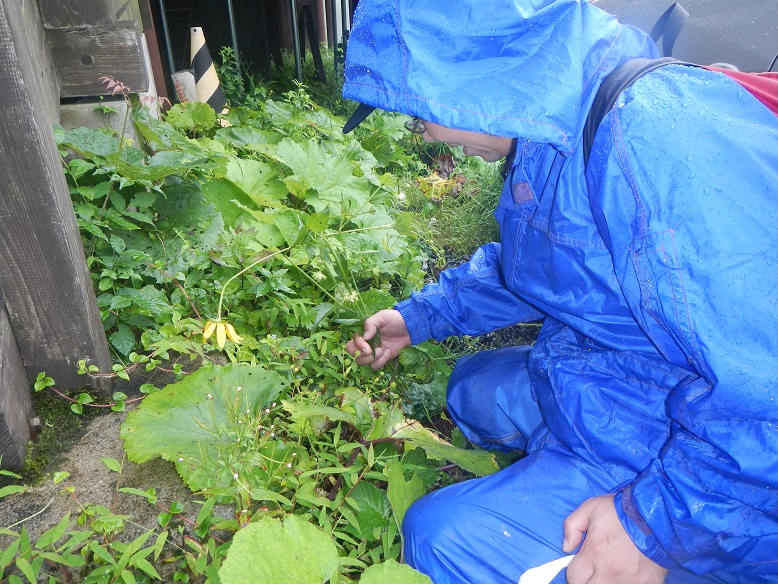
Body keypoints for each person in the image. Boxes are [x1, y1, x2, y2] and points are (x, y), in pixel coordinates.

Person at [341, 0, 778, 583]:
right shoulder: (555, 124)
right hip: (619, 370)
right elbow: (547, 259)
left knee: (440, 538)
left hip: (709, 449)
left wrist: (655, 525)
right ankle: (552, 468)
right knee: (470, 388)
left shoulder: (651, 133)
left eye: (418, 107)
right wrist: (420, 317)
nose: (419, 130)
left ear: (473, 72)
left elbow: (764, 383)